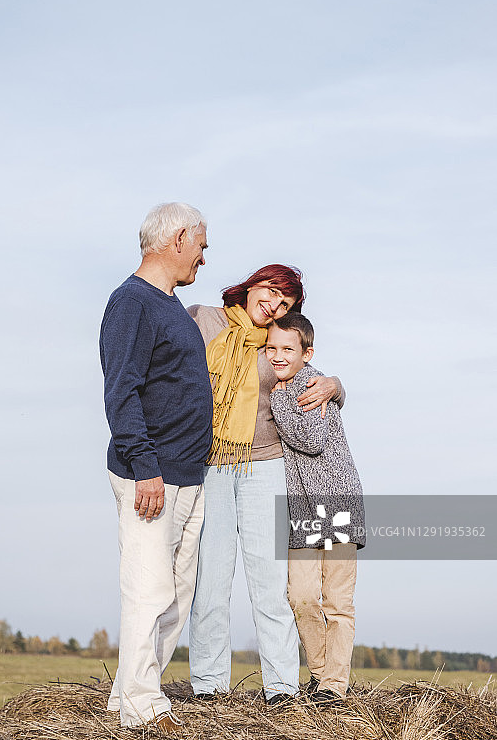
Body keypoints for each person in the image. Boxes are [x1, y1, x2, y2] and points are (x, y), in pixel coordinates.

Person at [188, 265, 346, 704]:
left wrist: (336, 386)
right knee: (210, 581)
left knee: (270, 583)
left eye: (285, 302)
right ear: (252, 284)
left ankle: (281, 686)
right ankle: (208, 684)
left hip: (265, 464)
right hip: (210, 463)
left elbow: (313, 376)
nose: (274, 304)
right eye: (272, 291)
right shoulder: (202, 319)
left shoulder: (276, 339)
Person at [99, 202, 213, 731]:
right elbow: (121, 390)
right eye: (201, 247)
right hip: (152, 475)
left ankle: (128, 694)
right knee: (149, 592)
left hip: (187, 474)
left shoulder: (171, 306)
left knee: (176, 597)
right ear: (178, 239)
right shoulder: (131, 302)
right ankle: (144, 708)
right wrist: (145, 465)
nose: (203, 258)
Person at [267, 312, 366, 704]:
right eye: (272, 348)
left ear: (306, 353)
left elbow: (311, 439)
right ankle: (322, 673)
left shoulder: (312, 383)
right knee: (301, 596)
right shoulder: (286, 385)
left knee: (337, 600)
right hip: (303, 510)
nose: (278, 355)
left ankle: (334, 684)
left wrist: (278, 402)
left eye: (287, 349)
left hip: (338, 502)